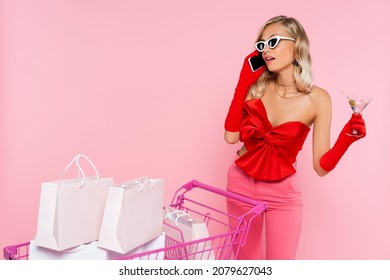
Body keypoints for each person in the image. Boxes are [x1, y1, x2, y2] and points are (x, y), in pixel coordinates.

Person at [224, 15, 366, 260]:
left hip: (283, 193)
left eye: (274, 41)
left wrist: (346, 139)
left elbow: (321, 167)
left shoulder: (318, 99)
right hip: (240, 185)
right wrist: (242, 82)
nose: (266, 50)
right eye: (261, 44)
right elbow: (230, 136)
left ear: (297, 45)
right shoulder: (255, 87)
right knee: (245, 268)